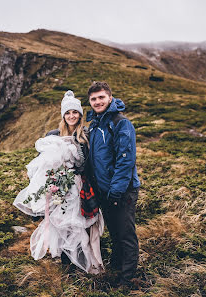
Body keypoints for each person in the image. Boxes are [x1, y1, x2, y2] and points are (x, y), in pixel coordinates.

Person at [13, 90, 104, 274]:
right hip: (59, 188)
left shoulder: (86, 135)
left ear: (80, 114)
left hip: (81, 187)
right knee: (60, 225)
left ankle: (84, 261)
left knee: (80, 225)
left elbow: (91, 162)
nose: (72, 116)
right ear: (63, 115)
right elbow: (43, 164)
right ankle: (66, 263)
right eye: (68, 113)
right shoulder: (52, 135)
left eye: (75, 112)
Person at [86, 81, 141, 287]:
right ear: (90, 102)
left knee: (126, 233)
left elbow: (125, 159)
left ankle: (127, 278)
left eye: (101, 97)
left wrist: (116, 191)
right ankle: (118, 267)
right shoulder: (96, 124)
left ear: (110, 97)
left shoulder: (120, 123)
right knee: (115, 232)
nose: (98, 101)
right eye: (94, 99)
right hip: (105, 191)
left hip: (122, 190)